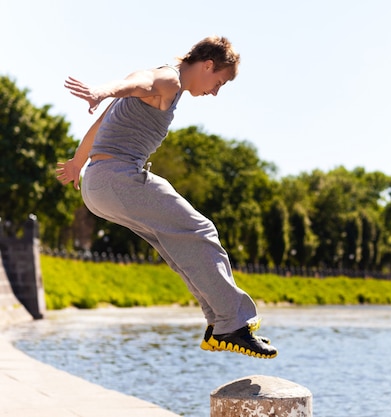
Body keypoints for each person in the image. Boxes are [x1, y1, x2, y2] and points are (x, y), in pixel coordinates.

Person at [56, 36, 277, 359]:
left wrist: (77, 163)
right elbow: (136, 81)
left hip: (97, 185)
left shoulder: (170, 89)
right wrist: (100, 91)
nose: (215, 91)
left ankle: (220, 324)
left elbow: (102, 123)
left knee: (175, 243)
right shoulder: (169, 80)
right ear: (207, 65)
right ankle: (231, 324)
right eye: (219, 82)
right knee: (201, 231)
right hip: (119, 179)